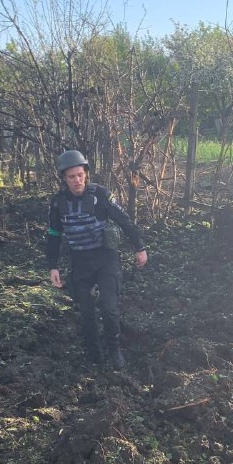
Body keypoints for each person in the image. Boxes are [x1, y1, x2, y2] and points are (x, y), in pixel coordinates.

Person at [46, 150, 148, 369]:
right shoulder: (58, 203)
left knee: (109, 308)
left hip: (105, 259)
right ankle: (94, 353)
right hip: (80, 262)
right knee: (87, 311)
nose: (77, 180)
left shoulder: (100, 195)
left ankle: (114, 349)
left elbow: (123, 220)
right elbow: (53, 234)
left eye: (80, 175)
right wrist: (52, 266)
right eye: (71, 176)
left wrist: (140, 247)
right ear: (64, 178)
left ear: (86, 174)